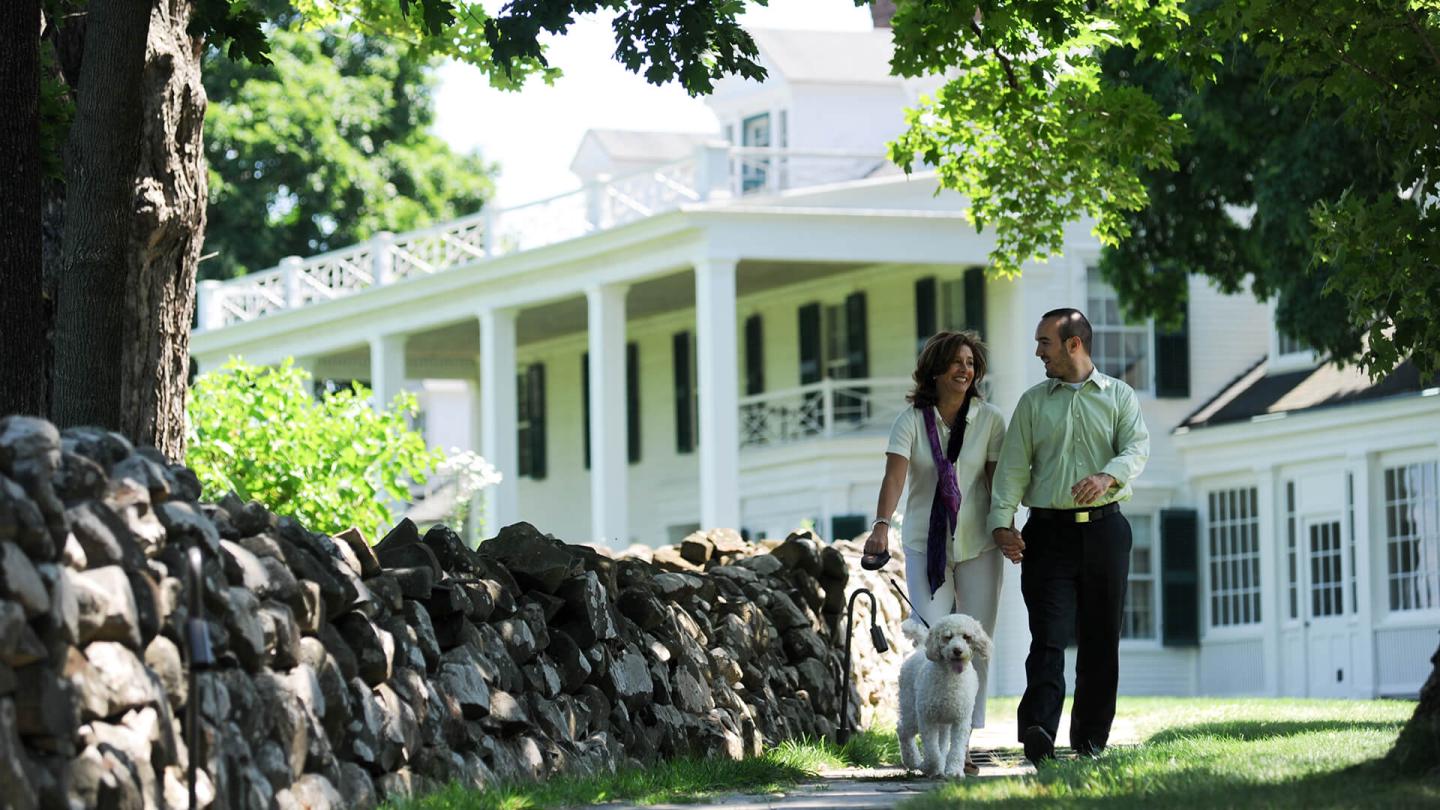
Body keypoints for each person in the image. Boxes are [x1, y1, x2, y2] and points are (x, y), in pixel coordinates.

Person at [988, 308, 1150, 764]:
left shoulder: (1119, 396)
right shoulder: (1034, 403)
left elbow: (1137, 447)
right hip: (1048, 535)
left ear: (1073, 343)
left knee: (1101, 638)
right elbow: (1013, 469)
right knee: (1049, 635)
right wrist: (1003, 523)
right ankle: (1039, 728)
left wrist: (1107, 476)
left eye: (1045, 343)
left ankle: (1091, 740)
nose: (1039, 352)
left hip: (1106, 531)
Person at [861, 330, 1007, 771]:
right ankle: (931, 744)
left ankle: (961, 746)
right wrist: (881, 526)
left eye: (971, 363)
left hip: (979, 542)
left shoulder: (991, 420)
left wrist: (1008, 527)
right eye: (956, 362)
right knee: (932, 637)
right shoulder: (910, 420)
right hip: (926, 543)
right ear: (936, 370)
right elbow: (894, 479)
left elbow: (997, 484)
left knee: (974, 643)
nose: (965, 369)